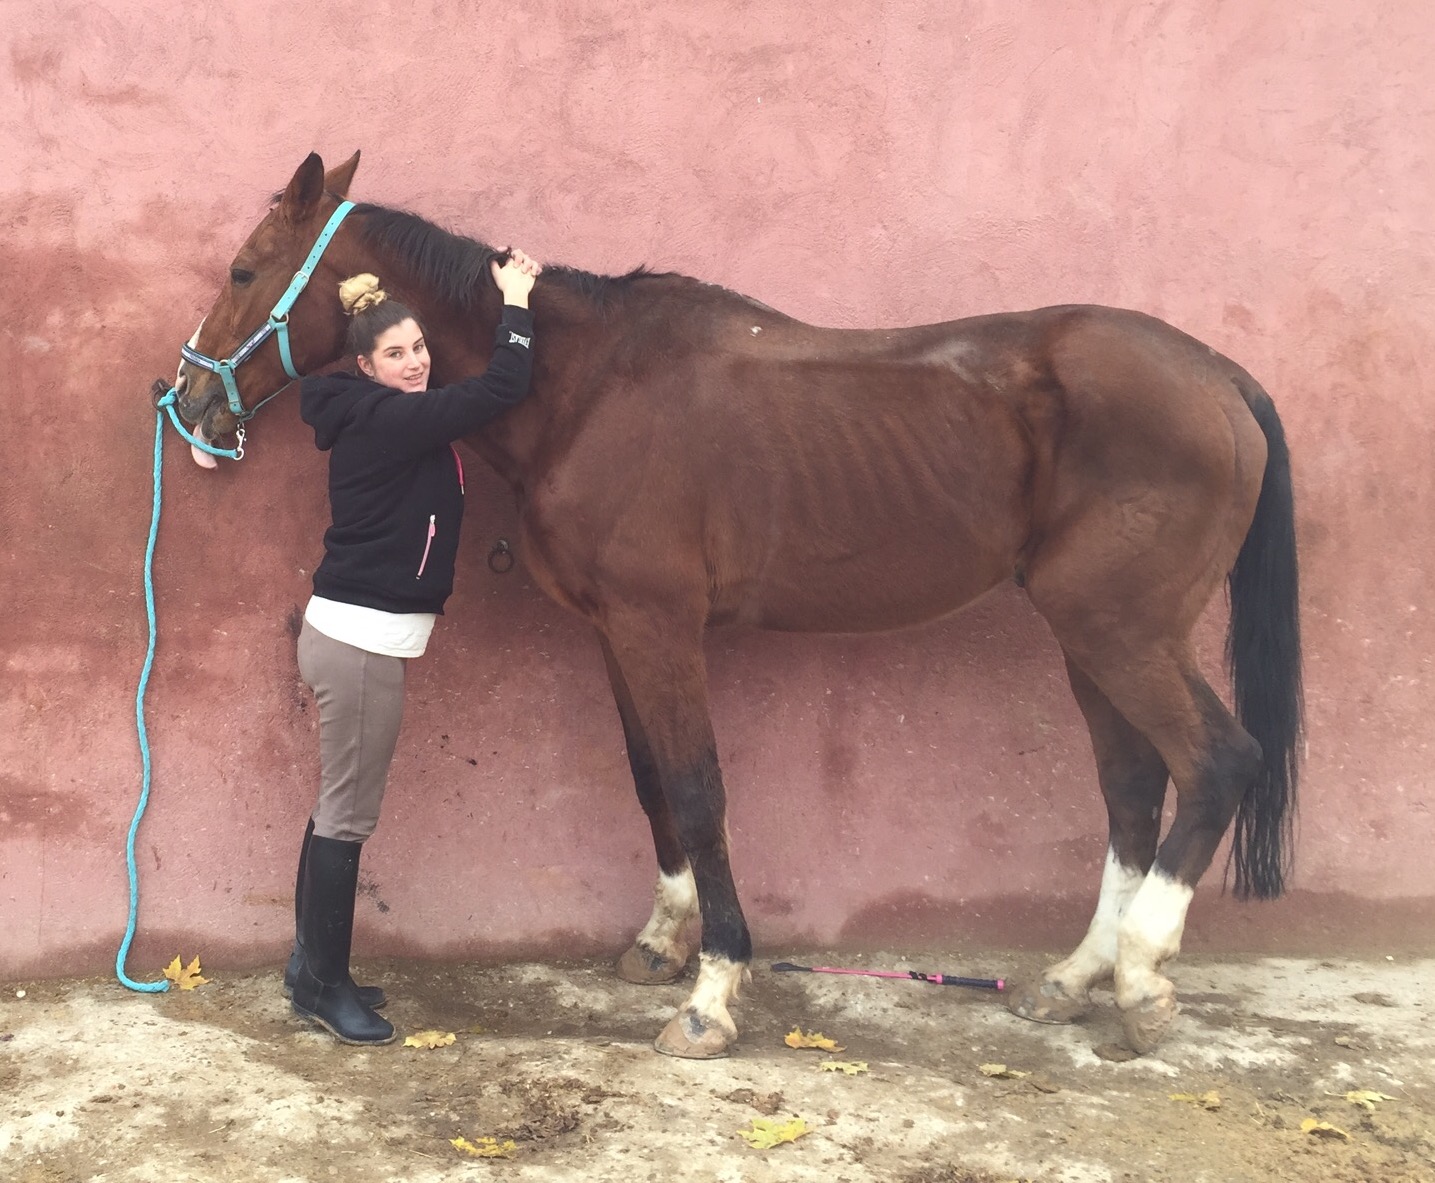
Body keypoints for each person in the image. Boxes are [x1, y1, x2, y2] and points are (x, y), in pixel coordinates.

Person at [285, 250, 542, 1044]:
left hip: (356, 637)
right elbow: (502, 387)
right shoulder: (390, 418)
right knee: (346, 815)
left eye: (419, 347)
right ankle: (325, 987)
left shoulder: (387, 414)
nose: (415, 362)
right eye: (395, 353)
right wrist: (517, 301)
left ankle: (309, 969)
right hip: (358, 645)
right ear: (365, 366)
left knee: (334, 807)